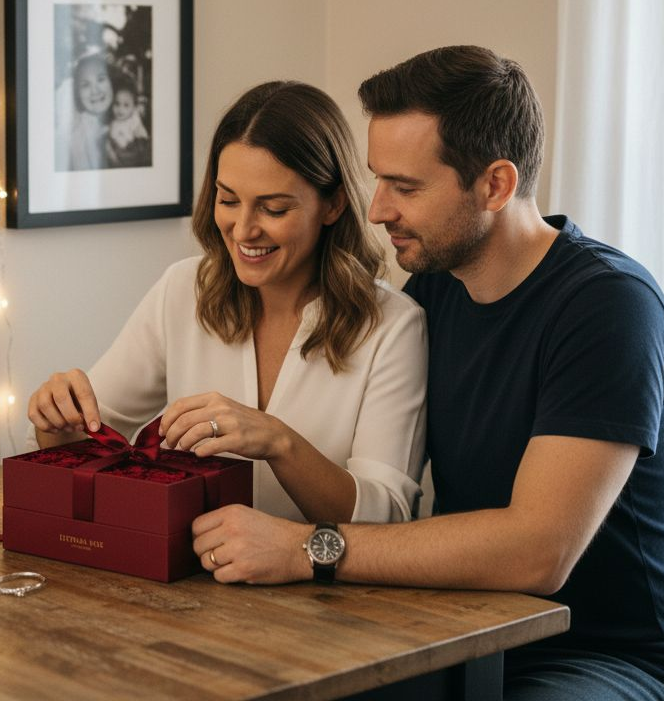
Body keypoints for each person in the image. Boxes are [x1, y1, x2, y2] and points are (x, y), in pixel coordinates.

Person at [195, 47, 664, 701]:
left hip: (605, 659)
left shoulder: (610, 308)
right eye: (378, 179)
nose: (377, 209)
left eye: (405, 187)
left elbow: (538, 552)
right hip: (456, 628)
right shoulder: (432, 294)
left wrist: (309, 549)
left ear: (495, 185)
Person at [28, 81, 428, 529]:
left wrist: (278, 441)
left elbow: (387, 515)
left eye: (273, 209)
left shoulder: (391, 325)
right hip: (187, 584)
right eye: (228, 200)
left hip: (325, 593)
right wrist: (57, 422)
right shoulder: (183, 290)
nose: (242, 230)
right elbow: (86, 443)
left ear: (332, 204)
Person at [60, 53, 113, 171]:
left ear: (112, 81)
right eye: (85, 85)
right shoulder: (77, 133)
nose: (95, 90)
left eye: (101, 79)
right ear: (77, 94)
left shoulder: (132, 116)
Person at [105, 74, 150, 168]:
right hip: (117, 153)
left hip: (131, 152)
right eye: (117, 103)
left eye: (126, 105)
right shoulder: (113, 122)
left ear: (134, 107)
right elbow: (110, 135)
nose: (120, 109)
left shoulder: (133, 120)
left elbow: (142, 140)